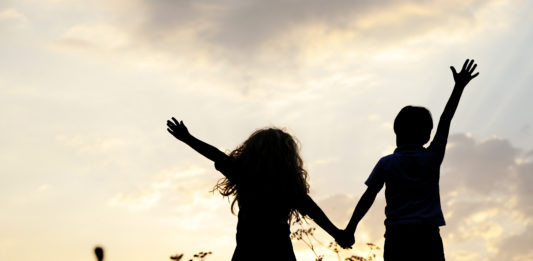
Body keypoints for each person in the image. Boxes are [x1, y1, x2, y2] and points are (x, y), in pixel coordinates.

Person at [337, 59, 479, 260]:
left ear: (396, 131)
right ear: (427, 135)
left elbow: (367, 198)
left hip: (398, 239)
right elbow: (445, 120)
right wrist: (458, 87)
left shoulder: (386, 163)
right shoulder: (432, 157)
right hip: (428, 237)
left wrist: (350, 228)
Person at [166, 121, 342, 261]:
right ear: (288, 156)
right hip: (280, 252)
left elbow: (215, 154)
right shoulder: (288, 185)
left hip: (247, 251)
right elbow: (314, 212)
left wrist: (187, 138)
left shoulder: (243, 174)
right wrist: (339, 234)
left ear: (253, 151)